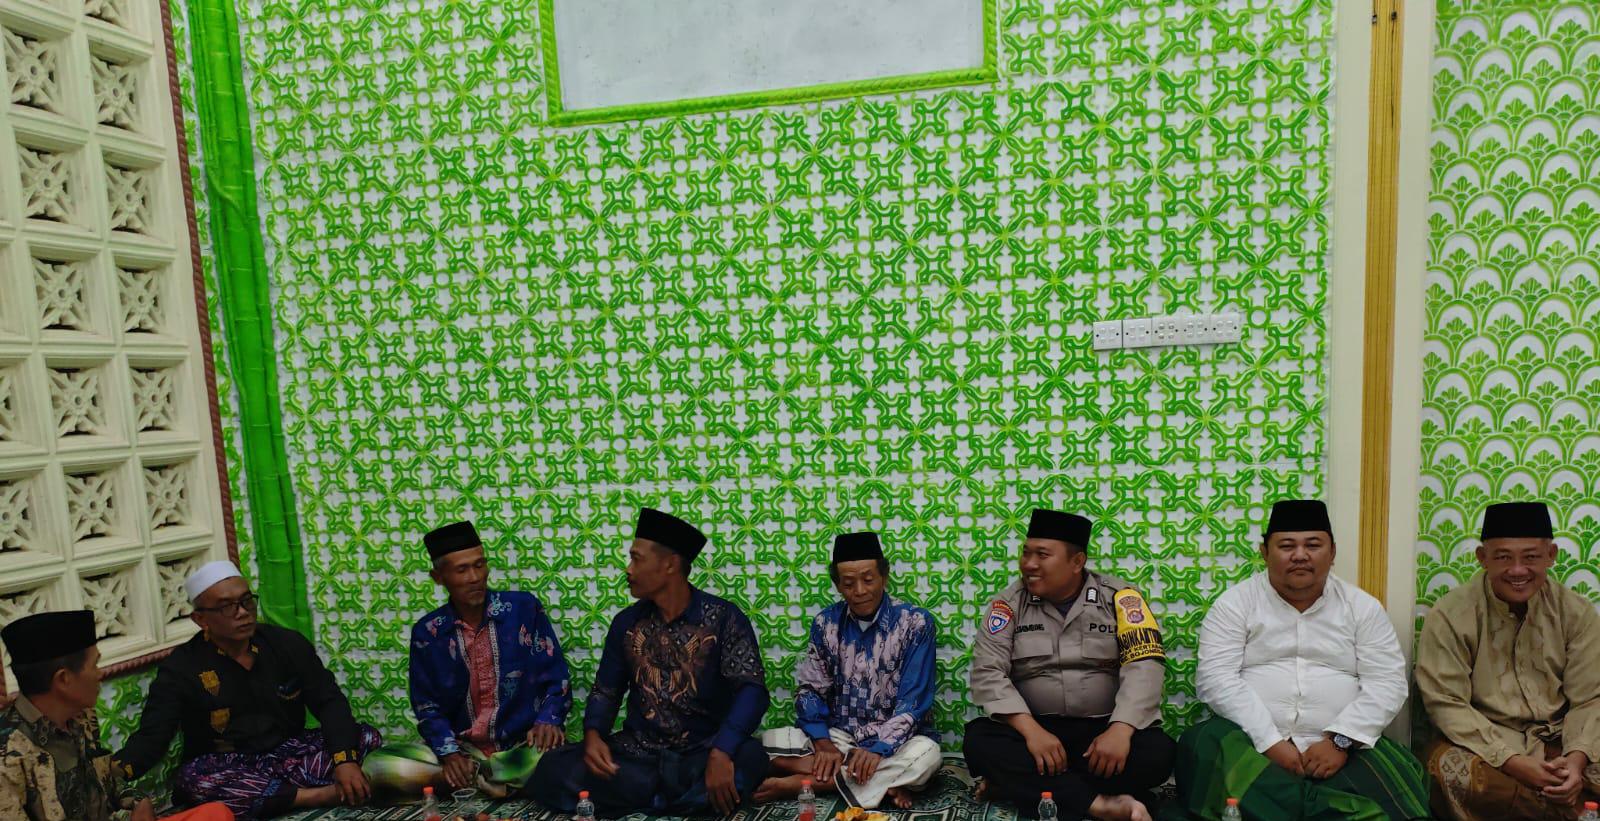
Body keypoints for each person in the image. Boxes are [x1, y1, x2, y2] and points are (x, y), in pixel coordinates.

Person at [1165, 499, 1427, 821]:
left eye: (1313, 545)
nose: (1300, 555)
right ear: (1265, 552)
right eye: (1287, 546)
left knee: (1398, 773)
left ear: (1332, 552)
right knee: (1203, 744)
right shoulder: (1234, 604)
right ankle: (1333, 810)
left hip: (1341, 750)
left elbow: (1387, 683)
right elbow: (1215, 679)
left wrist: (1340, 741)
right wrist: (1269, 741)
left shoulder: (1363, 608)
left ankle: (1280, 808)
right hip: (1252, 744)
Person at [529, 508, 771, 817]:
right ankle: (676, 800)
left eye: (636, 559)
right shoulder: (627, 623)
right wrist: (593, 735)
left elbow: (752, 690)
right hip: (638, 754)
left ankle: (652, 796)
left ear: (669, 564)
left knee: (750, 757)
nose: (628, 569)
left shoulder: (724, 618)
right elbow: (606, 691)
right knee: (552, 768)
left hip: (702, 751)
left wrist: (722, 751)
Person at [113, 561, 382, 819]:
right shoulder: (181, 667)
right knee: (194, 781)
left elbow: (328, 701)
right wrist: (112, 774)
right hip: (227, 766)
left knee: (365, 736)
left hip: (287, 755)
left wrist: (345, 760)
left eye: (246, 601)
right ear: (201, 619)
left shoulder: (286, 643)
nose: (242, 612)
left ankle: (274, 796)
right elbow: (154, 736)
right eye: (227, 607)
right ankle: (317, 796)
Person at [964, 508, 1175, 821]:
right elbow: (987, 672)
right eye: (1026, 553)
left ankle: (1026, 787)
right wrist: (1032, 732)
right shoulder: (1007, 605)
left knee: (1158, 753)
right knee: (980, 742)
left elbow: (1145, 666)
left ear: (1077, 562)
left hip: (1102, 732)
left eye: (1042, 555)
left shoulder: (1121, 599)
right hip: (1035, 732)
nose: (1028, 564)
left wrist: (1121, 729)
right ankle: (1100, 804)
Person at [1416, 501, 1600, 820]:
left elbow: (1590, 698)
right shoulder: (1451, 615)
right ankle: (1572, 809)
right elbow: (1446, 703)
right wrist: (1513, 762)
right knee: (1447, 771)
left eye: (1530, 557)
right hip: (1487, 742)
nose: (1517, 570)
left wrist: (1575, 760)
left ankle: (1556, 800)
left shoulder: (1576, 613)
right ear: (1482, 558)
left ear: (1551, 555)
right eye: (1503, 557)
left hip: (1562, 737)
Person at [366, 520, 571, 804]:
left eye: (479, 565)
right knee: (377, 767)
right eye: (462, 570)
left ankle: (471, 783)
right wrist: (449, 753)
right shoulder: (428, 632)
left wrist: (548, 720)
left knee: (561, 758)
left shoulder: (523, 609)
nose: (475, 577)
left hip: (522, 747)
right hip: (464, 752)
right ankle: (492, 781)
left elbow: (556, 677)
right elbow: (427, 705)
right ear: (438, 577)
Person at [756, 531, 942, 809]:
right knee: (765, 743)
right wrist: (823, 744)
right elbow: (809, 690)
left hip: (896, 741)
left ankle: (809, 782)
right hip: (840, 737)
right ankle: (882, 782)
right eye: (848, 583)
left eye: (868, 580)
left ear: (884, 577)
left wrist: (879, 749)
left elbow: (913, 702)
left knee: (927, 756)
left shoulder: (916, 623)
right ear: (837, 585)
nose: (860, 591)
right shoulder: (826, 623)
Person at [0, 609, 233, 821]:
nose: (99, 674)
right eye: (94, 665)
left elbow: (109, 781)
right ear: (64, 679)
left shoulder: (81, 717)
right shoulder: (8, 756)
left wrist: (138, 801)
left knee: (217, 813)